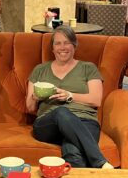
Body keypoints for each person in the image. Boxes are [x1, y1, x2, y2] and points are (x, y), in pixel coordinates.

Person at [26, 25, 113, 169]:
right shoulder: (39, 70)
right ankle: (100, 161)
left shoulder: (88, 68)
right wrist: (35, 97)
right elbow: (29, 108)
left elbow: (96, 99)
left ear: (74, 45)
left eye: (67, 43)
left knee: (73, 151)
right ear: (52, 48)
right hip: (48, 125)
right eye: (57, 43)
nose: (62, 47)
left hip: (85, 121)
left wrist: (69, 96)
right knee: (62, 112)